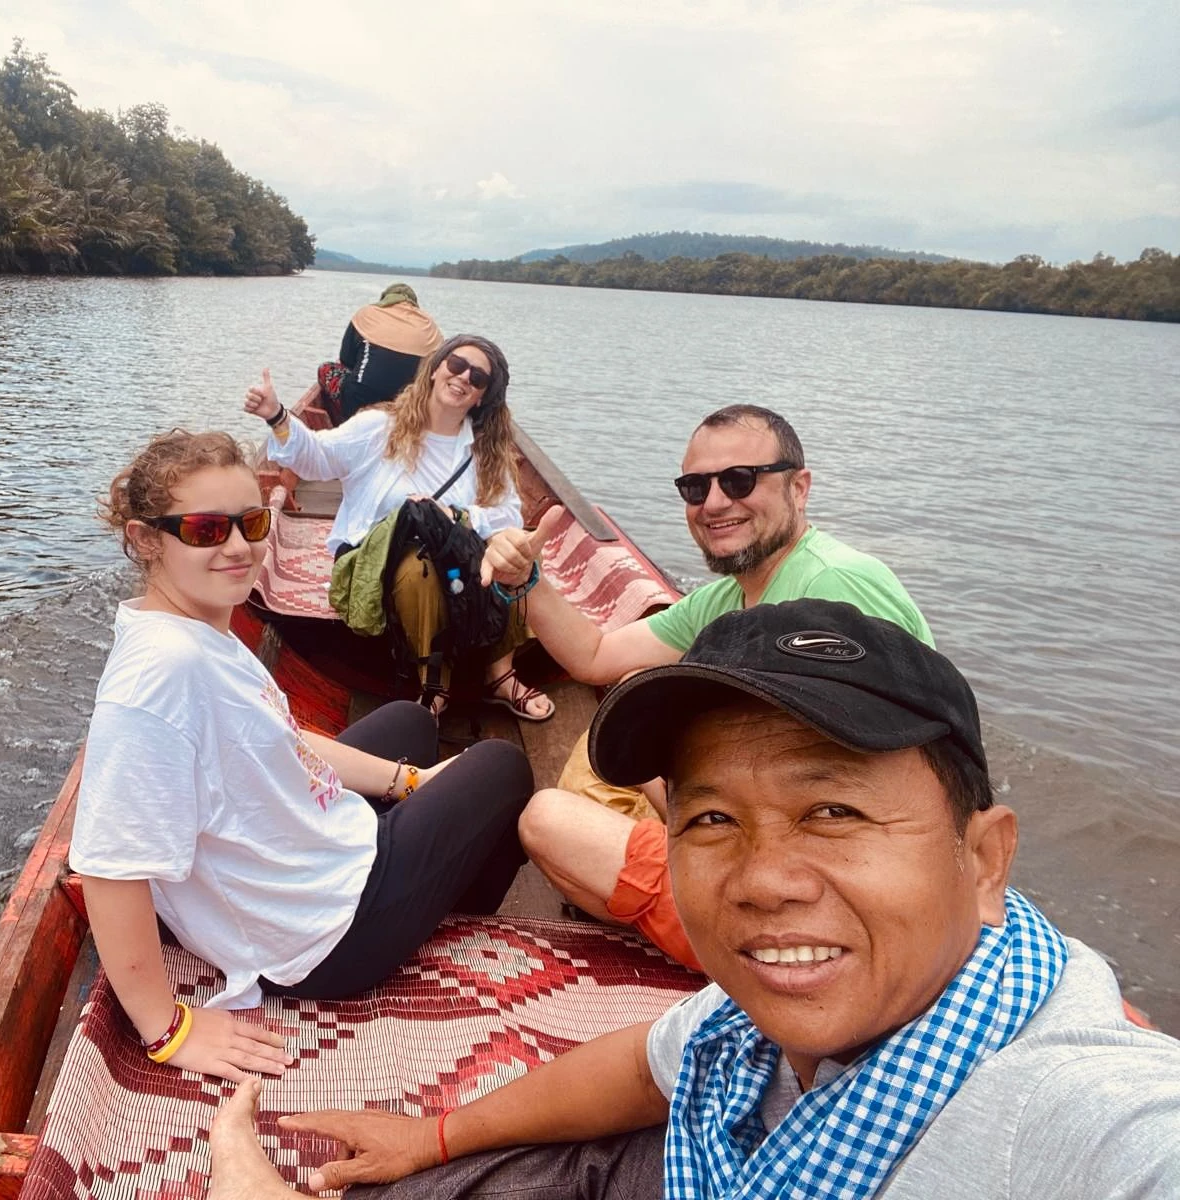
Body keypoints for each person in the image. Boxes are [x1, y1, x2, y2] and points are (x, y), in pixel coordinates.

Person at [205, 600, 1180, 1200]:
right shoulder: (757, 1027)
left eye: (833, 809)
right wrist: (434, 1133)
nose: (762, 881)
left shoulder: (1082, 1121)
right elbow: (647, 1062)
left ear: (983, 858)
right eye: (709, 820)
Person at [71, 429, 534, 1082]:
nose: (238, 547)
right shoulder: (161, 675)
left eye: (252, 522)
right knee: (501, 769)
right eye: (205, 530)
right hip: (324, 936)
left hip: (301, 854)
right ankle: (435, 914)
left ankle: (425, 869)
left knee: (407, 725)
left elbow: (278, 739)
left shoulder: (197, 624)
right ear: (148, 540)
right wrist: (168, 1030)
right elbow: (108, 866)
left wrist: (412, 781)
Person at [480, 404, 931, 969]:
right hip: (768, 840)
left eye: (740, 480)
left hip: (818, 898)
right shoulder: (726, 599)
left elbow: (875, 785)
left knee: (548, 819)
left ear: (800, 487)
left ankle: (733, 942)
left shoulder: (833, 587)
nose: (715, 503)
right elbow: (594, 656)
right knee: (612, 728)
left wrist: (655, 765)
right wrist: (526, 580)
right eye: (696, 487)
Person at [245, 334, 554, 721]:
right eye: (456, 365)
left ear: (481, 396)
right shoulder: (380, 426)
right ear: (436, 368)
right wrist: (277, 416)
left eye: (477, 377)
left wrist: (453, 517)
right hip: (375, 568)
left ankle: (499, 674)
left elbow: (507, 515)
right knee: (417, 566)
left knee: (515, 557)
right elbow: (317, 459)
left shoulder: (484, 450)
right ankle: (434, 683)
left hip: (457, 570)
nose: (463, 378)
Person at [319, 282, 444, 424]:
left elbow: (345, 359)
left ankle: (342, 422)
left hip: (357, 403)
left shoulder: (367, 313)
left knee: (325, 369)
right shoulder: (431, 327)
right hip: (408, 409)